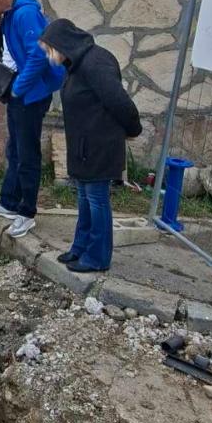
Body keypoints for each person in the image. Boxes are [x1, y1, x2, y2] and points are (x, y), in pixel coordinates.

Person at [39, 18, 142, 274]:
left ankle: (97, 257)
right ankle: (81, 247)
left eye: (49, 50)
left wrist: (133, 129)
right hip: (83, 145)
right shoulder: (76, 64)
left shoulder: (96, 63)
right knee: (85, 197)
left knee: (96, 200)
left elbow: (119, 101)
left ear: (62, 44)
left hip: (99, 145)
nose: (49, 56)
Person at [0, 0, 64, 239]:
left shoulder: (25, 15)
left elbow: (39, 56)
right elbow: (13, 52)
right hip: (21, 94)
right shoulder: (10, 14)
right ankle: (9, 201)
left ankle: (26, 213)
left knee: (27, 154)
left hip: (30, 95)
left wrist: (18, 88)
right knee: (14, 148)